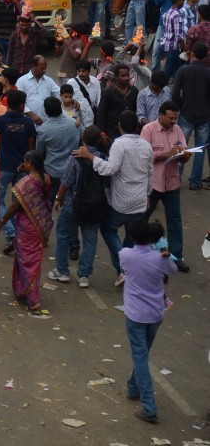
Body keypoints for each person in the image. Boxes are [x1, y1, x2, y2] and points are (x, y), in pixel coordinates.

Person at [74, 109, 153, 286]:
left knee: (108, 230)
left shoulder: (119, 144)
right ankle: (125, 270)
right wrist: (147, 195)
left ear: (119, 126)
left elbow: (110, 169)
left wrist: (90, 156)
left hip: (121, 200)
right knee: (131, 236)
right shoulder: (146, 145)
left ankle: (124, 267)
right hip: (139, 199)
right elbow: (150, 173)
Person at [119, 219, 177, 424]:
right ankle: (133, 388)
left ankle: (149, 407)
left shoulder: (125, 255)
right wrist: (164, 252)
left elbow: (124, 269)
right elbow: (173, 270)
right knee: (142, 354)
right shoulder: (160, 258)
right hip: (155, 314)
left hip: (135, 315)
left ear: (132, 237)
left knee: (140, 357)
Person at [0, 149, 53, 314]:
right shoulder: (46, 179)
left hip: (27, 227)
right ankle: (24, 290)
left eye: (26, 162)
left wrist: (1, 222)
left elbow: (14, 206)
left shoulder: (25, 184)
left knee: (26, 261)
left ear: (31, 164)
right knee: (33, 260)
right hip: (39, 225)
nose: (24, 164)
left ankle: (33, 300)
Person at [48, 125, 106, 288]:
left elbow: (66, 181)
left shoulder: (75, 158)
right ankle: (84, 275)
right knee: (90, 239)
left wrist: (58, 198)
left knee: (63, 235)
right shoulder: (102, 157)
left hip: (73, 204)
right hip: (95, 205)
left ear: (82, 138)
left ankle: (62, 270)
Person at [141, 103, 190, 272]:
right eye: (170, 118)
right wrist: (167, 154)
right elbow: (144, 155)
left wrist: (184, 156)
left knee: (175, 219)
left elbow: (183, 151)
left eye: (175, 118)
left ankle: (176, 256)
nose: (173, 121)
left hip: (171, 181)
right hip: (153, 182)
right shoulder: (148, 130)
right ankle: (138, 252)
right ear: (160, 115)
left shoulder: (177, 130)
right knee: (142, 218)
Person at [0, 89, 37, 255]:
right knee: (18, 203)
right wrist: (29, 166)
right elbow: (32, 147)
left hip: (3, 166)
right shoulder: (28, 123)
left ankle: (11, 233)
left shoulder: (1, 120)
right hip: (22, 168)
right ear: (21, 105)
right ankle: (17, 235)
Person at [171, 41, 210, 190]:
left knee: (181, 148)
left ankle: (176, 178)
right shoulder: (208, 73)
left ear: (192, 54)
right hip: (204, 116)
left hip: (186, 114)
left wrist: (180, 107)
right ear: (206, 55)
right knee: (200, 149)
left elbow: (175, 93)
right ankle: (195, 182)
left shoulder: (183, 70)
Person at [35, 96, 81, 202]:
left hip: (52, 171)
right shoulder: (74, 123)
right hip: (71, 169)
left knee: (48, 201)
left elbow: (40, 153)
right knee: (69, 201)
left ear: (46, 111)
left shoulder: (44, 129)